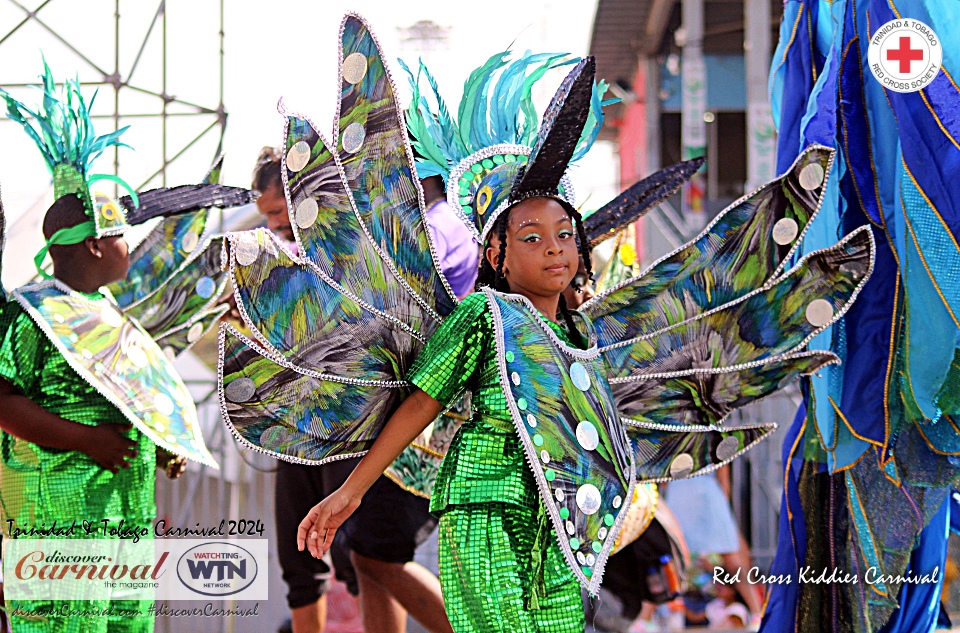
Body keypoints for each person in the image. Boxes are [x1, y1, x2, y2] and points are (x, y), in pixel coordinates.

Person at [217, 15, 873, 633]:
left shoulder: (586, 334)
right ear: (495, 254)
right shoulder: (485, 315)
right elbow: (422, 400)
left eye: (565, 233)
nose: (556, 247)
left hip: (564, 526)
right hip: (487, 513)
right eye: (532, 236)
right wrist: (350, 493)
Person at [0, 63, 220, 633]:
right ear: (96, 246)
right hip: (58, 516)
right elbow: (2, 404)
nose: (131, 245)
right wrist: (87, 439)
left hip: (121, 517)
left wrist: (161, 444)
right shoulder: (30, 315)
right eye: (122, 234)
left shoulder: (110, 316)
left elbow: (133, 398)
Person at [252, 149, 469, 633]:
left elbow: (393, 329)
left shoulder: (430, 231)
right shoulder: (372, 238)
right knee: (328, 559)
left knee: (370, 558)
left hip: (377, 420)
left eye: (281, 217)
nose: (276, 228)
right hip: (317, 415)